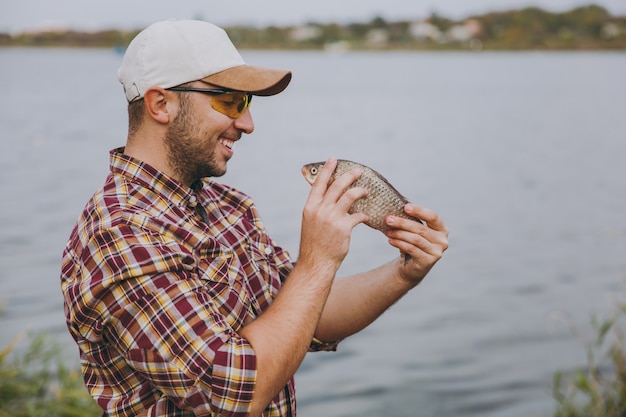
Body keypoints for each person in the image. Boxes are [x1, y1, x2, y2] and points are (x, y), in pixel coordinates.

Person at [60, 19, 448, 417]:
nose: (247, 123)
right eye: (230, 101)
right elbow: (235, 395)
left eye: (247, 103)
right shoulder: (120, 236)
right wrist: (318, 261)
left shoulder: (229, 206)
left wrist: (404, 273)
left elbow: (308, 315)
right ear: (161, 104)